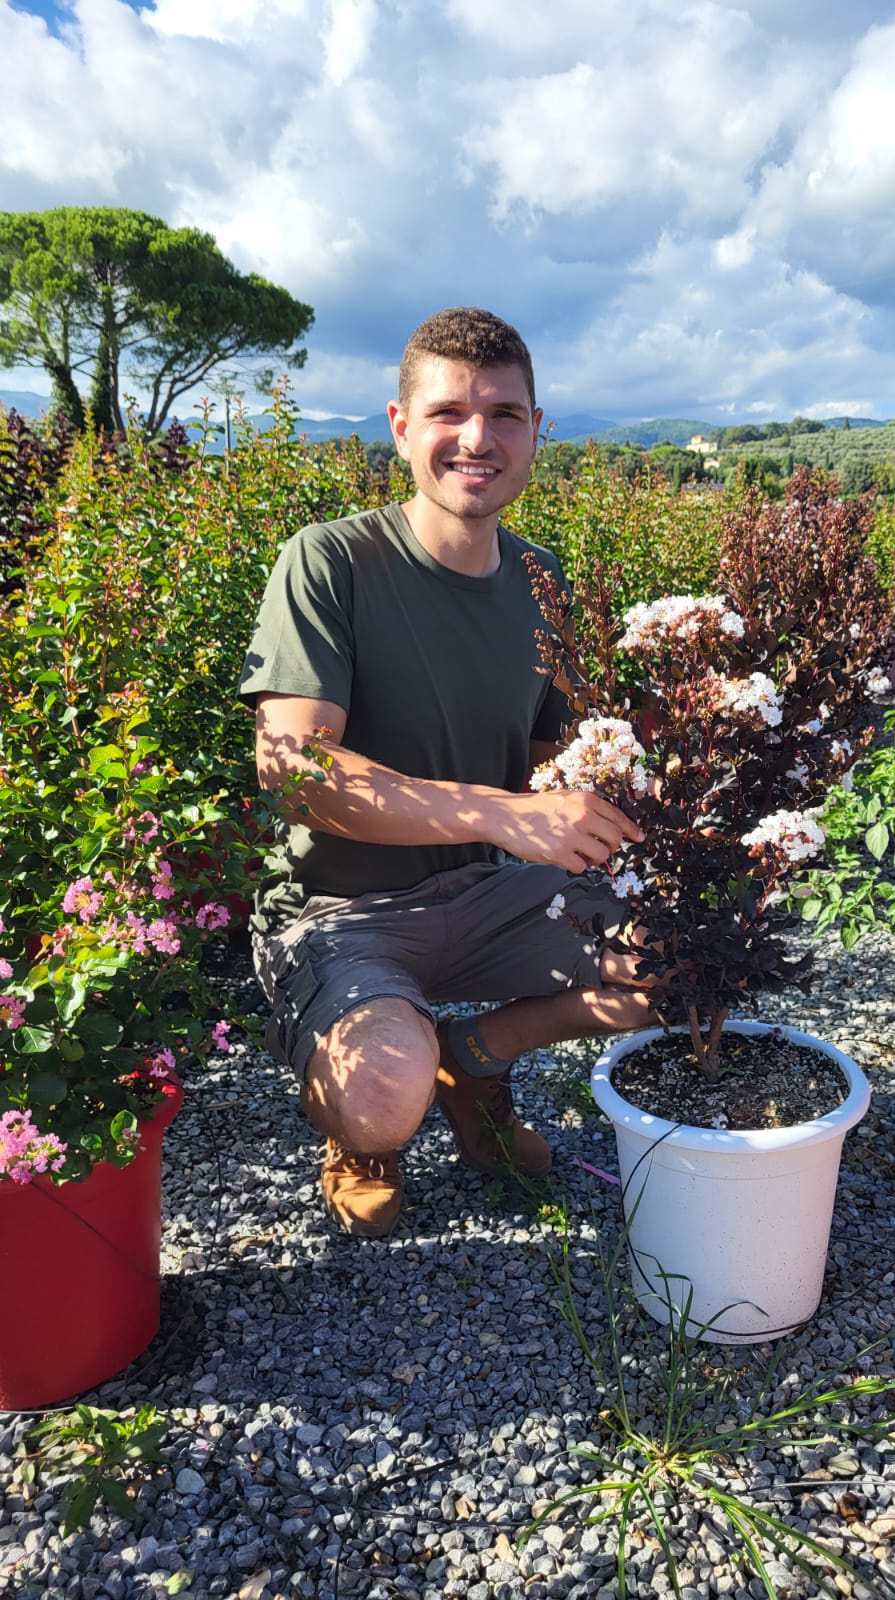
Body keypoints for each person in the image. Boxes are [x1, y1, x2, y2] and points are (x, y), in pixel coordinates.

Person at [239, 307, 655, 1237]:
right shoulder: (331, 561)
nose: (478, 437)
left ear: (538, 430)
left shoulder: (542, 578)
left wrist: (653, 775)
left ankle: (475, 1056)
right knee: (388, 1083)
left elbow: (558, 761)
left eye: (506, 413)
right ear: (399, 426)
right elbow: (293, 768)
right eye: (449, 413)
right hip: (338, 908)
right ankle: (367, 1139)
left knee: (681, 959)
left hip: (487, 896)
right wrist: (503, 813)